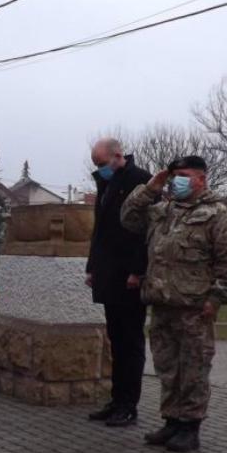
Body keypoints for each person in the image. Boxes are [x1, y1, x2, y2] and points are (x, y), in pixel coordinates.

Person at [121, 155, 227, 453]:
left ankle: (190, 426)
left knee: (194, 369)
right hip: (162, 303)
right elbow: (128, 218)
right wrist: (151, 187)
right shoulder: (164, 210)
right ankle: (172, 420)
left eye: (184, 175)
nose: (177, 180)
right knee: (167, 367)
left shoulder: (218, 214)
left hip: (195, 307)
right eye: (174, 175)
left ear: (201, 178)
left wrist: (216, 299)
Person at [85, 138, 152, 427]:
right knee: (116, 341)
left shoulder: (141, 181)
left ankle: (129, 405)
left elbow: (145, 232)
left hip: (130, 277)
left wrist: (138, 270)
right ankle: (116, 399)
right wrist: (92, 268)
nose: (99, 169)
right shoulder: (107, 183)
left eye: (101, 164)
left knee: (130, 342)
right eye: (96, 165)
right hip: (109, 273)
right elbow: (100, 230)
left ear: (117, 156)